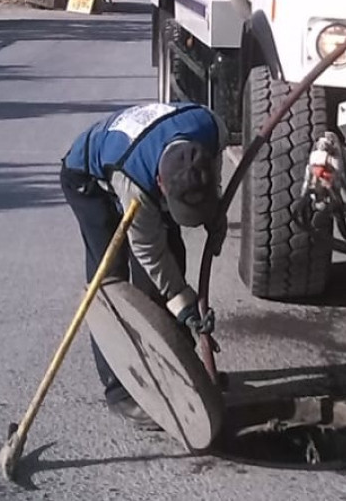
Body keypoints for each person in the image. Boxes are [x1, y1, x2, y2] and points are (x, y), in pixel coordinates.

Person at [60, 101, 228, 424]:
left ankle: (178, 372)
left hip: (142, 167)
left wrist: (214, 213)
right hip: (90, 180)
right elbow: (150, 252)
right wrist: (184, 304)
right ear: (162, 186)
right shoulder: (134, 182)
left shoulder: (211, 128)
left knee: (171, 262)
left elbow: (214, 174)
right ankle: (121, 390)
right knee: (112, 285)